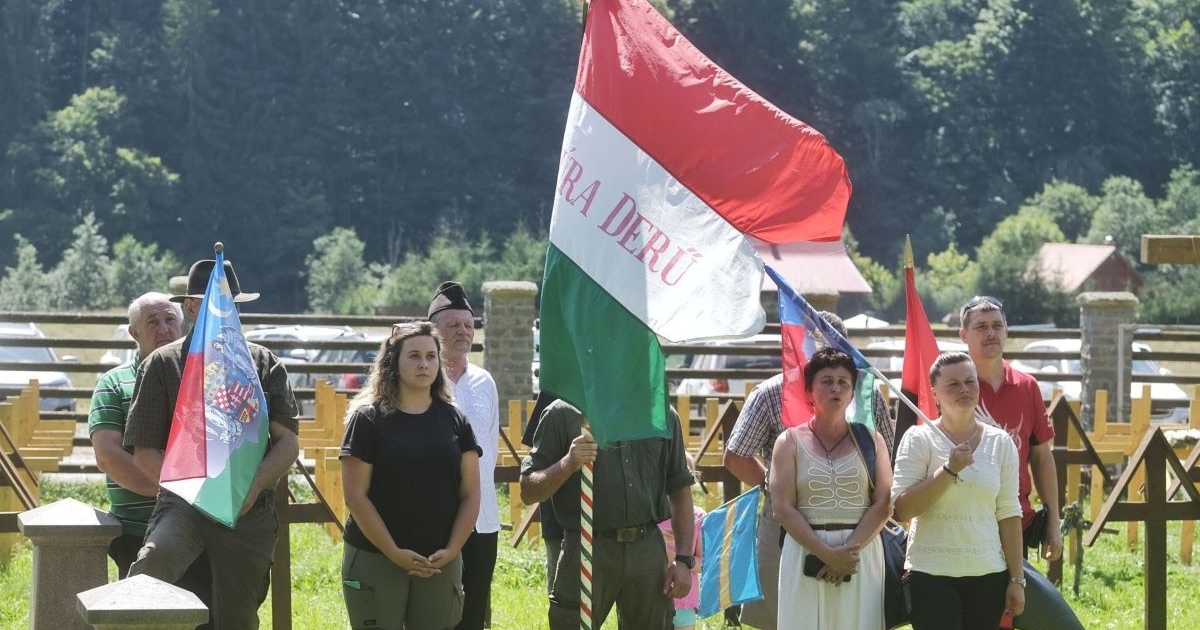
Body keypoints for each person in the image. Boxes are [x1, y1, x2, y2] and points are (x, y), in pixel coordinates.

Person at [123, 260, 300, 630]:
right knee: (151, 570)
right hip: (183, 503)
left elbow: (287, 443)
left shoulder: (263, 363)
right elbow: (144, 451)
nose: (226, 312)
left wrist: (252, 487)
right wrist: (192, 491)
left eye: (231, 304)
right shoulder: (161, 364)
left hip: (247, 506)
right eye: (216, 304)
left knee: (238, 615)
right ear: (190, 308)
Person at [723, 310, 894, 629]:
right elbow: (736, 457)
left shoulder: (868, 394)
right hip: (789, 525)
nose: (835, 387)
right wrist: (778, 489)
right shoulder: (771, 392)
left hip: (860, 530)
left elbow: (886, 466)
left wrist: (848, 548)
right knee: (785, 618)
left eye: (835, 346)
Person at [339, 321, 482, 630]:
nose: (424, 364)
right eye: (414, 356)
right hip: (376, 555)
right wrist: (393, 552)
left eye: (431, 356)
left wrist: (453, 549)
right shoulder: (368, 419)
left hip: (439, 561)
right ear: (393, 362)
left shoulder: (455, 419)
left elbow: (471, 493)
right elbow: (355, 496)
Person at [520, 399, 695, 629]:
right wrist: (569, 462)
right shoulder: (564, 412)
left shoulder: (661, 413)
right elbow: (528, 491)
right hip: (586, 546)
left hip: (647, 551)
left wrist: (683, 560)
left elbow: (681, 491)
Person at [89, 293, 212, 615]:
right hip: (138, 530)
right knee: (144, 615)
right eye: (152, 322)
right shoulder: (114, 383)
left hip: (203, 526)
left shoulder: (202, 378)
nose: (164, 328)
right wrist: (178, 493)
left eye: (170, 320)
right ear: (134, 332)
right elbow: (108, 455)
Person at [892, 351, 1025, 630]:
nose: (964, 389)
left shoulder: (1000, 442)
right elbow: (901, 509)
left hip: (989, 574)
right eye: (953, 384)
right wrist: (949, 470)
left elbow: (1009, 514)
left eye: (970, 381)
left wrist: (1017, 579)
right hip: (930, 575)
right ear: (935, 394)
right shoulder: (918, 439)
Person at [768, 348, 892, 629]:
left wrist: (846, 555)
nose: (836, 388)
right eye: (826, 381)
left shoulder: (872, 440)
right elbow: (783, 508)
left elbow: (884, 502)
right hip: (806, 552)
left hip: (860, 554)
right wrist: (826, 554)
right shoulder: (788, 442)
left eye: (843, 382)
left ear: (852, 392)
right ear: (809, 391)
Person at [959, 295, 1062, 561]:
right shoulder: (953, 389)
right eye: (981, 326)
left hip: (1017, 522)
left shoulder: (1027, 387)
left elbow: (1041, 458)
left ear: (1007, 330)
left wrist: (1053, 522)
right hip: (963, 523)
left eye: (997, 325)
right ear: (963, 335)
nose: (991, 333)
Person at [428, 282, 499, 630]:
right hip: (434, 518)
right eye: (453, 324)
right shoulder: (421, 380)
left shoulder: (485, 382)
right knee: (433, 613)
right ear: (434, 331)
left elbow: (491, 450)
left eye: (469, 325)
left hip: (483, 519)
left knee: (473, 614)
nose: (463, 331)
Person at [657, 454, 705, 630]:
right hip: (652, 598)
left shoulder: (699, 518)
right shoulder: (651, 516)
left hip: (684, 601)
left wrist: (682, 561)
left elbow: (705, 563)